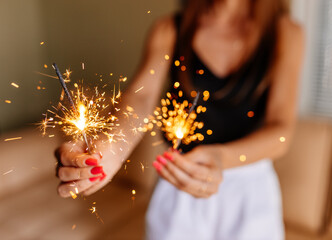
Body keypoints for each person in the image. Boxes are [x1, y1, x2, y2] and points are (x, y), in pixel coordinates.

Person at [55, 0, 304, 239]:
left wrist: (222, 158)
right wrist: (109, 149)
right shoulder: (170, 30)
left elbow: (281, 131)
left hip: (250, 194)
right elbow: (141, 100)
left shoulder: (286, 33)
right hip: (178, 182)